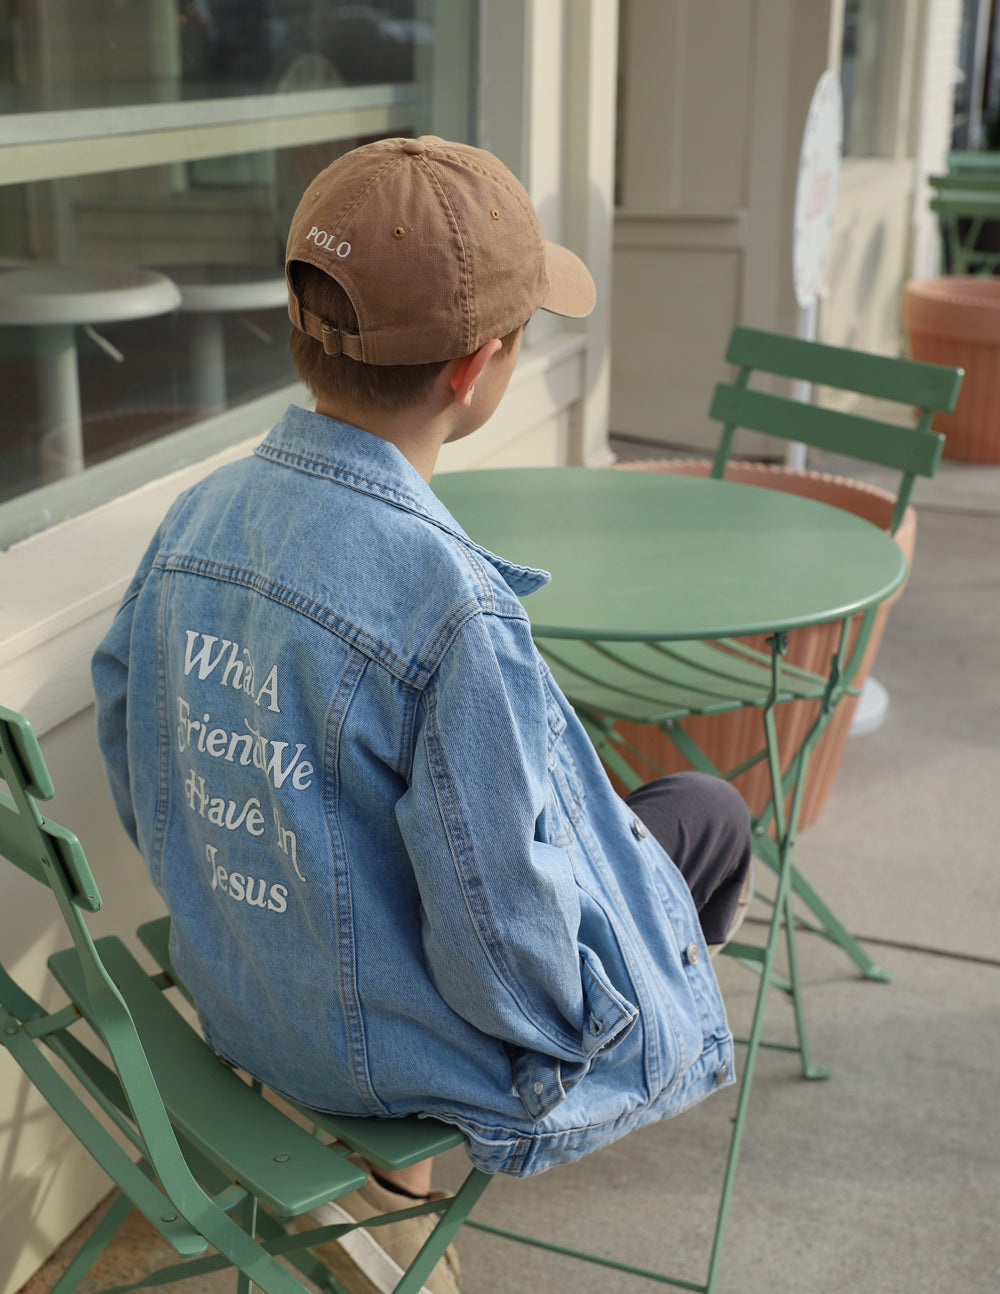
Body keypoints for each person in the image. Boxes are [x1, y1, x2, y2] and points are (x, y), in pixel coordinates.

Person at [91, 136, 752, 1294]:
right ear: (477, 371)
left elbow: (129, 738)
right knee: (699, 815)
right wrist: (591, 1015)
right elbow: (501, 931)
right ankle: (400, 1188)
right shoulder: (452, 608)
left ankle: (391, 1194)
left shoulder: (196, 515)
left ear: (300, 329)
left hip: (241, 984)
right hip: (379, 1049)